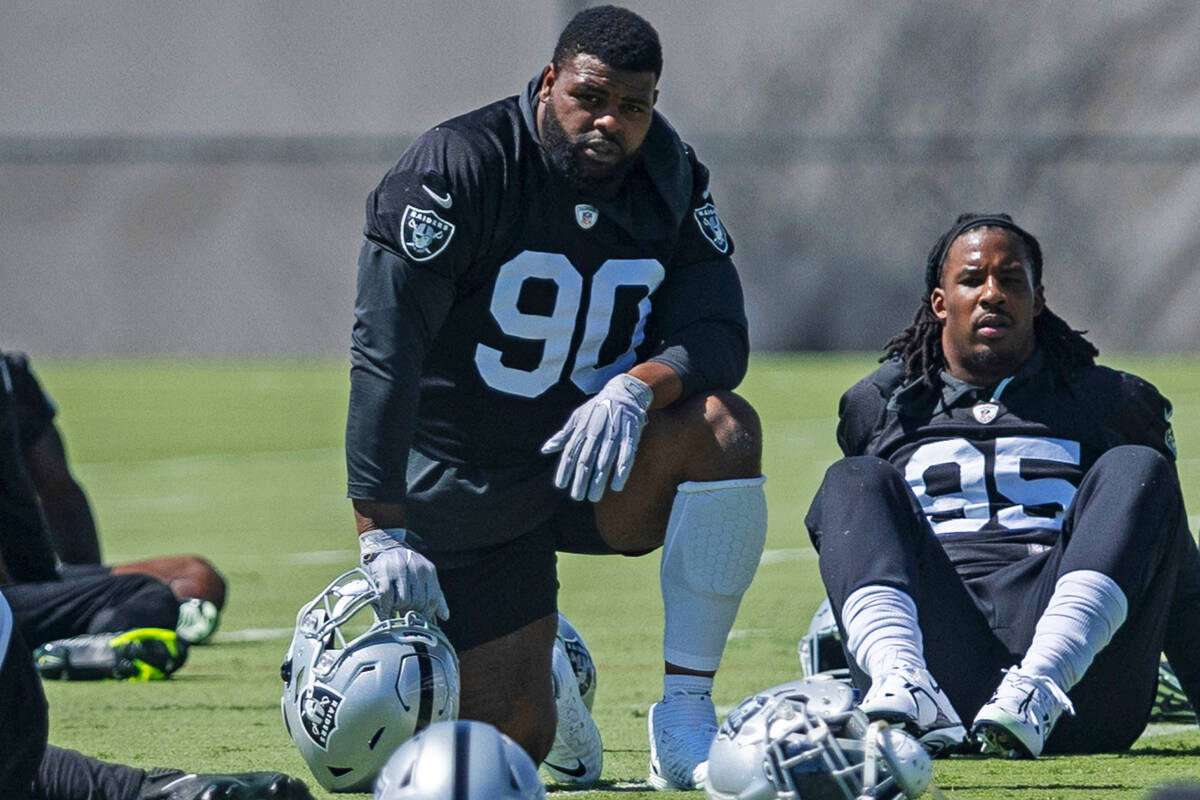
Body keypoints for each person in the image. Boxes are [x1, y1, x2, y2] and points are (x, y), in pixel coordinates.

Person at [345, 5, 766, 790]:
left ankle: (684, 717)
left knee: (723, 429)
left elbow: (719, 333)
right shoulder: (459, 165)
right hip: (468, 479)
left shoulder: (669, 173)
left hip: (594, 462)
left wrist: (635, 391)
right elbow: (385, 354)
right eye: (590, 98)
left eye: (634, 108)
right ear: (548, 83)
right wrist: (381, 529)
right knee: (511, 750)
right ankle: (548, 661)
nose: (610, 122)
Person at [805, 212, 1200, 758]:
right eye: (972, 280)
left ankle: (1037, 684)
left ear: (1038, 300)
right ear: (939, 302)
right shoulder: (881, 405)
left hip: (1077, 694)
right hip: (943, 679)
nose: (992, 295)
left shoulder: (1112, 401)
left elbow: (1177, 570)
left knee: (1139, 467)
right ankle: (903, 680)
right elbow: (866, 537)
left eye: (1011, 280)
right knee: (851, 479)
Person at [1, 350, 224, 650]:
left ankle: (84, 635)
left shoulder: (11, 373)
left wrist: (85, 595)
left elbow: (59, 491)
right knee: (149, 598)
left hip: (25, 584)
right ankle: (76, 652)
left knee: (196, 577)